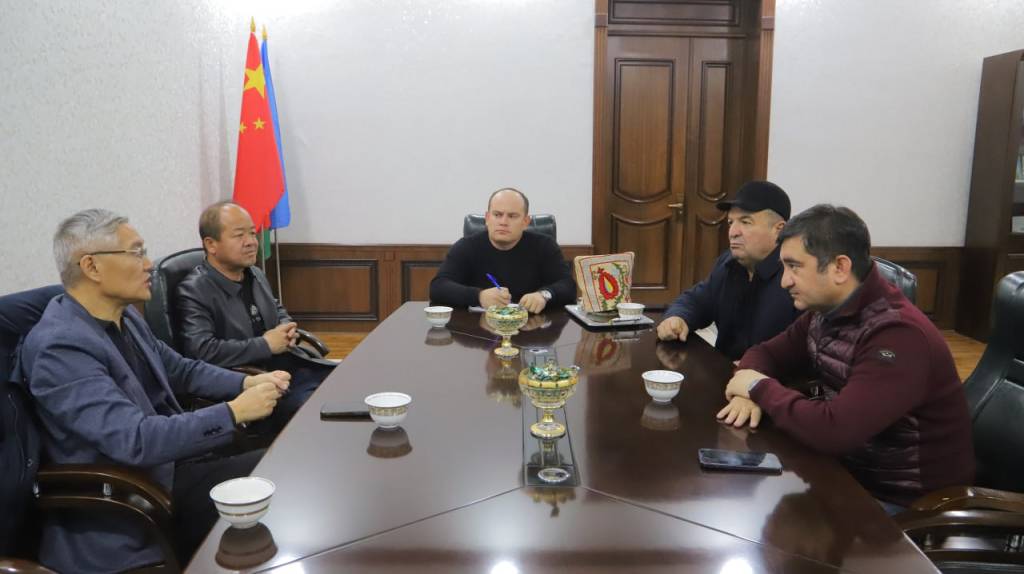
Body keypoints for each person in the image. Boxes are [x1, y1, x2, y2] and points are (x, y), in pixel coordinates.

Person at [20, 209, 290, 573]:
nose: (149, 264)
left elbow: (180, 369)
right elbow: (135, 440)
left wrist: (244, 382)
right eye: (136, 253)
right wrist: (234, 412)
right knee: (274, 484)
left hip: (173, 468)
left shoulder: (124, 316)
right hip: (132, 499)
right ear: (92, 266)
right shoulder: (61, 347)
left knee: (280, 465)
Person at [718, 204, 974, 512]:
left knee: (755, 516)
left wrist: (757, 387)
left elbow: (834, 431)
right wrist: (746, 395)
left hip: (906, 504)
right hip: (849, 473)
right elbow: (765, 352)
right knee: (742, 497)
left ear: (840, 268)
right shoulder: (825, 313)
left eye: (794, 266)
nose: (785, 281)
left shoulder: (897, 335)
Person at [176, 202, 335, 432]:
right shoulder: (194, 290)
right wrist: (266, 345)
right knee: (318, 410)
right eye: (239, 235)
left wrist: (286, 328)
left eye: (252, 233)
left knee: (344, 381)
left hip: (287, 365)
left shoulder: (254, 273)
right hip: (254, 382)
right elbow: (202, 352)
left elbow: (277, 308)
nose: (251, 241)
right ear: (211, 244)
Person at [657, 181, 802, 360]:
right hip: (723, 372)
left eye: (745, 222)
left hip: (768, 375)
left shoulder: (796, 278)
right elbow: (696, 300)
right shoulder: (728, 263)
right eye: (730, 222)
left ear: (779, 230)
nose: (733, 232)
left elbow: (803, 352)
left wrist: (754, 368)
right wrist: (677, 318)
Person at [429, 188, 575, 313]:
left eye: (512, 216)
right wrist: (479, 296)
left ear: (525, 222)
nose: (503, 222)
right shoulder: (466, 246)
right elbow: (438, 287)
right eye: (497, 215)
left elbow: (568, 286)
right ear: (487, 218)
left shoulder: (544, 246)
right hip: (479, 330)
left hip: (530, 328)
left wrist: (544, 295)